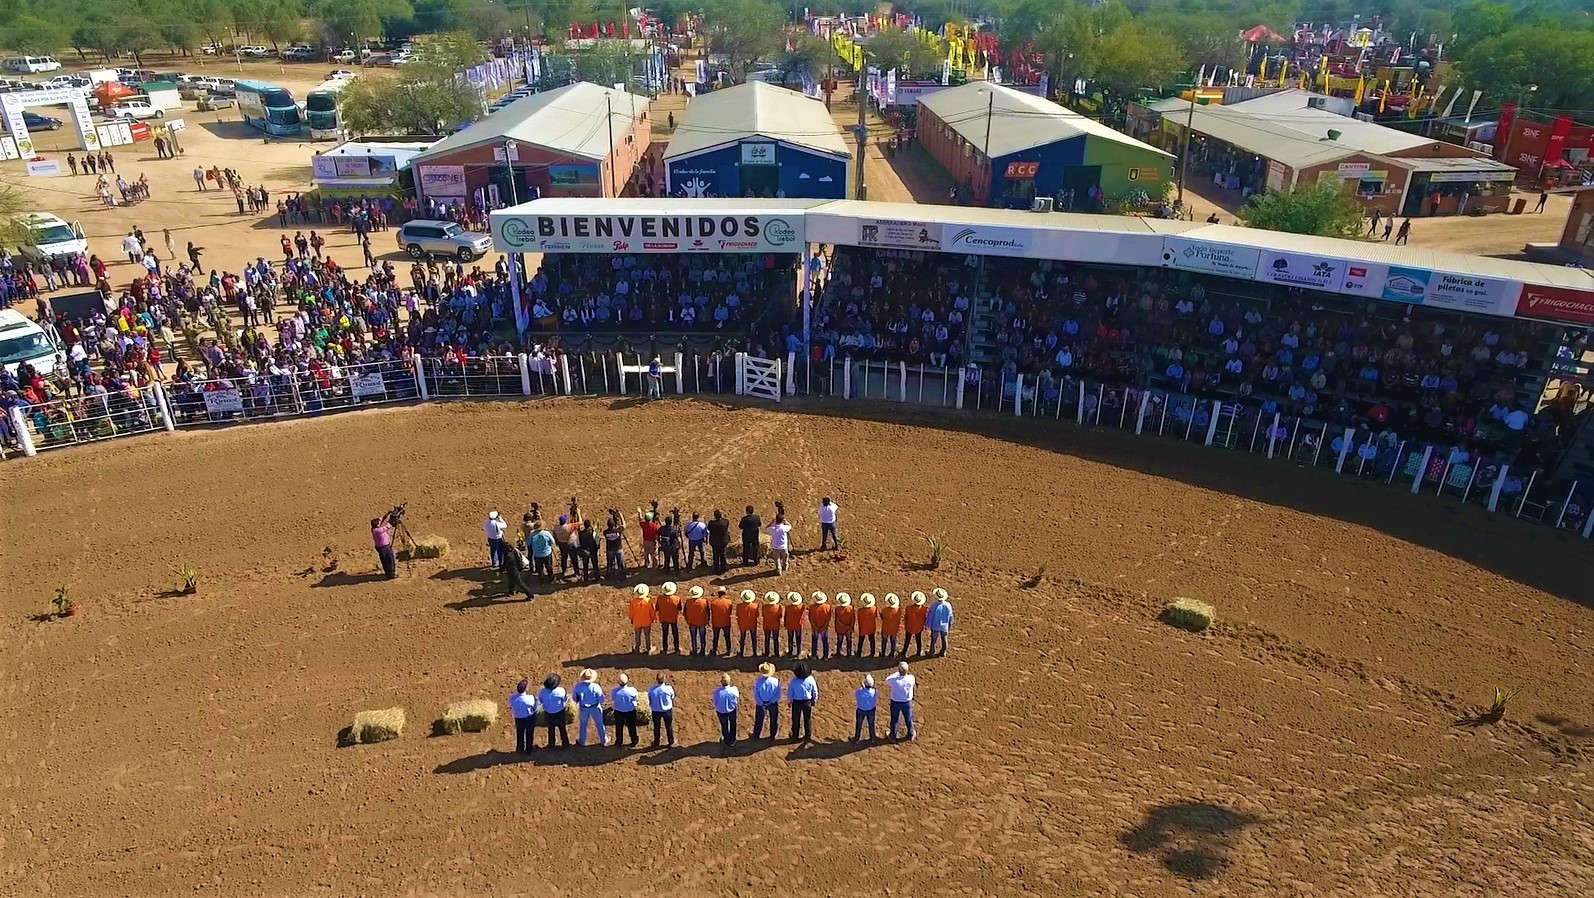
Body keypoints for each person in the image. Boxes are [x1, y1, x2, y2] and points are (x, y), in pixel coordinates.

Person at [572, 668, 606, 747]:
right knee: (600, 724)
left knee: (583, 725)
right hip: (595, 707)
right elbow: (601, 699)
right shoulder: (596, 687)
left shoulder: (578, 687)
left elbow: (574, 698)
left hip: (583, 708)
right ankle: (604, 740)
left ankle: (582, 741)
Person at [886, 661, 917, 742]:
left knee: (894, 719)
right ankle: (910, 734)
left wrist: (896, 674)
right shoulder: (911, 678)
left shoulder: (894, 681)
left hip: (895, 702)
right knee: (908, 718)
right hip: (907, 702)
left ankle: (893, 735)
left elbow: (887, 680)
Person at [787, 663, 818, 743]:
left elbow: (790, 692)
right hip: (807, 702)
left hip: (796, 702)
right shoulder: (811, 679)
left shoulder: (794, 681)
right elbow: (815, 691)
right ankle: (808, 736)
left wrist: (789, 701)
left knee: (796, 719)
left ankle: (795, 735)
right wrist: (814, 700)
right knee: (807, 719)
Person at [537, 674, 571, 748]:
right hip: (560, 711)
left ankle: (551, 745)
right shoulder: (561, 690)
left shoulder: (542, 692)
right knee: (562, 728)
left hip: (548, 712)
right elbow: (565, 700)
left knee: (551, 729)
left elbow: (540, 701)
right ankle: (565, 744)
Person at [610, 672, 641, 747]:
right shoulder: (632, 690)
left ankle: (619, 741)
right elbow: (636, 698)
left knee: (619, 726)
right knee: (631, 726)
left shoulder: (614, 691)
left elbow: (612, 699)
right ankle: (634, 740)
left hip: (619, 711)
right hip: (630, 710)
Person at [751, 662, 781, 740]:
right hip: (773, 703)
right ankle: (773, 735)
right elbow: (778, 694)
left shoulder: (758, 682)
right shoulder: (776, 681)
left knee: (759, 720)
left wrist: (761, 703)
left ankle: (756, 735)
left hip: (761, 704)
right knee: (774, 720)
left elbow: (756, 694)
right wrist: (771, 702)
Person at [648, 673, 677, 748]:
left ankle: (656, 743)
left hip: (656, 711)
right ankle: (671, 742)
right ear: (664, 679)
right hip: (667, 710)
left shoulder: (651, 689)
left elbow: (649, 699)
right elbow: (672, 697)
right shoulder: (669, 688)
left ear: (656, 680)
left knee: (656, 727)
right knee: (669, 726)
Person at [510, 678, 538, 753]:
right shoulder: (530, 698)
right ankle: (529, 750)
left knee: (520, 733)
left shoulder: (512, 698)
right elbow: (535, 707)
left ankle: (520, 749)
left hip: (518, 718)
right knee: (529, 734)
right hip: (528, 718)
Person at [656, 582, 684, 654]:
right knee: (675, 633)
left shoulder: (659, 598)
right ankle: (676, 649)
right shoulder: (677, 598)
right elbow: (680, 608)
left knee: (665, 634)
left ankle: (665, 649)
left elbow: (657, 608)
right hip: (673, 618)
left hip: (664, 618)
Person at [713, 672, 740, 746]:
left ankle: (726, 740)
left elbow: (715, 702)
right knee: (733, 724)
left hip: (721, 711)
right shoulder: (734, 690)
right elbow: (737, 700)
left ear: (721, 682)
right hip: (732, 710)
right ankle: (732, 740)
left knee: (724, 725)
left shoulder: (717, 692)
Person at [685, 584, 711, 655]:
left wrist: (688, 621)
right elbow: (708, 612)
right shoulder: (704, 601)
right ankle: (702, 651)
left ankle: (694, 650)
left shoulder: (688, 602)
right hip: (701, 622)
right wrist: (707, 621)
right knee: (702, 637)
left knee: (693, 637)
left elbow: (685, 612)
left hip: (692, 622)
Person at [628, 584, 655, 654]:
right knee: (647, 636)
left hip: (637, 622)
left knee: (637, 635)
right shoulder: (649, 601)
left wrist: (632, 619)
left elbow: (630, 613)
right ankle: (648, 648)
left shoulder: (633, 602)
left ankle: (637, 648)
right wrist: (652, 619)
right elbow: (652, 612)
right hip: (646, 621)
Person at [928, 588, 954, 655]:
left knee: (933, 640)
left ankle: (931, 652)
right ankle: (943, 652)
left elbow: (930, 616)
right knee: (944, 639)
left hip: (935, 626)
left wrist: (928, 624)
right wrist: (950, 623)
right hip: (944, 626)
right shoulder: (948, 605)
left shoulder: (934, 606)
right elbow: (950, 616)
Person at [709, 586, 734, 655]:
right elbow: (730, 612)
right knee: (727, 637)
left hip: (716, 622)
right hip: (726, 622)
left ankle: (714, 650)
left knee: (716, 637)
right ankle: (728, 650)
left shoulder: (713, 602)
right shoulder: (729, 602)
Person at [528, 519, 555, 584]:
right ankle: (551, 578)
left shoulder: (532, 534)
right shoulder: (546, 533)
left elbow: (528, 543)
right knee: (549, 566)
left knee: (540, 568)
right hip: (547, 553)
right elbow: (553, 542)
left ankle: (541, 580)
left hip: (537, 554)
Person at [853, 674, 878, 742]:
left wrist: (862, 688)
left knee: (859, 724)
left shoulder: (859, 692)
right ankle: (872, 738)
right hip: (871, 710)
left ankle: (856, 738)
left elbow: (855, 695)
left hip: (861, 710)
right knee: (871, 724)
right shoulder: (875, 692)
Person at [370, 513, 396, 579]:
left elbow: (380, 520)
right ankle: (390, 575)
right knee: (388, 560)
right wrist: (392, 519)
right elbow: (388, 526)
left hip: (383, 547)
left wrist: (386, 514)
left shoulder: (374, 528)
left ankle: (390, 573)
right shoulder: (378, 530)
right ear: (377, 525)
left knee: (388, 560)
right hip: (384, 548)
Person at [808, 591, 832, 659]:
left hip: (815, 627)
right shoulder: (828, 607)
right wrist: (824, 626)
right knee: (825, 641)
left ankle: (814, 655)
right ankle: (825, 656)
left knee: (814, 640)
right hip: (824, 627)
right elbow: (828, 618)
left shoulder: (812, 607)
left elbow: (811, 618)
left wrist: (814, 626)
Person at [736, 589, 760, 655]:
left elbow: (737, 615)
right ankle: (755, 652)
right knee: (753, 638)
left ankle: (741, 652)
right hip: (752, 623)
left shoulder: (739, 606)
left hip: (743, 624)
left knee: (742, 638)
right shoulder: (755, 606)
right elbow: (757, 615)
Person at [905, 591, 929, 656]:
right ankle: (919, 652)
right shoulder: (924, 609)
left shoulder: (908, 608)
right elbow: (925, 618)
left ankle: (904, 652)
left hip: (909, 626)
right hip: (918, 627)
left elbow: (906, 618)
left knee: (907, 640)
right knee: (918, 640)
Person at [759, 591, 783, 656]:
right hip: (775, 625)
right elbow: (780, 616)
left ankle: (767, 653)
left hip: (767, 625)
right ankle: (776, 653)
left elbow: (763, 615)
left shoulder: (764, 607)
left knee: (767, 639)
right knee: (775, 639)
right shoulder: (779, 607)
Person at [708, 509, 731, 574]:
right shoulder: (725, 521)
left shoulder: (711, 523)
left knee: (715, 555)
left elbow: (709, 529)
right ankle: (723, 567)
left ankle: (716, 568)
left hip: (715, 541)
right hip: (723, 541)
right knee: (723, 554)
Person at [857, 593, 879, 657]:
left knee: (861, 641)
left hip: (863, 628)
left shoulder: (860, 611)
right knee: (872, 640)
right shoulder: (874, 609)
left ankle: (859, 653)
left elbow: (859, 620)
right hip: (871, 627)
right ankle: (872, 652)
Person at [833, 592, 855, 657]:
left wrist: (844, 626)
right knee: (849, 640)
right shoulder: (851, 608)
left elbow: (837, 620)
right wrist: (849, 627)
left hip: (840, 628)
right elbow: (853, 620)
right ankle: (849, 653)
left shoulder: (837, 609)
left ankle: (838, 653)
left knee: (839, 640)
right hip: (849, 628)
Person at [783, 591, 805, 656]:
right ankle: (798, 651)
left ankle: (790, 651)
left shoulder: (788, 608)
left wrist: (785, 624)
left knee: (790, 639)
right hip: (798, 625)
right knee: (798, 639)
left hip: (790, 625)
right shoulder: (801, 607)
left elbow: (785, 617)